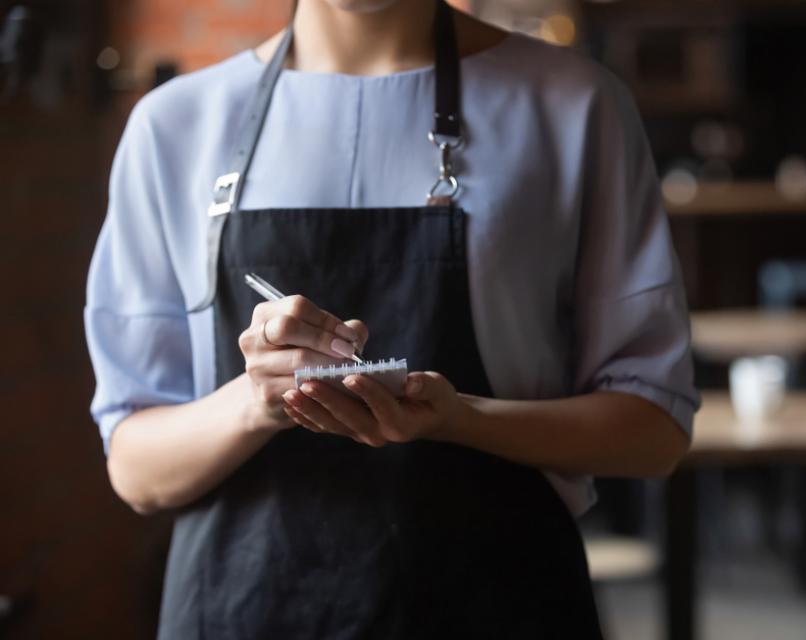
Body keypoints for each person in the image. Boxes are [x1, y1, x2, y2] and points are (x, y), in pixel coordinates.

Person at [84, 0, 699, 636]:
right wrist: (255, 402)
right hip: (242, 611)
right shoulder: (176, 125)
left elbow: (653, 431)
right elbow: (136, 470)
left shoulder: (573, 104)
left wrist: (464, 418)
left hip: (497, 603)